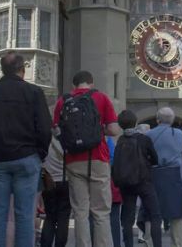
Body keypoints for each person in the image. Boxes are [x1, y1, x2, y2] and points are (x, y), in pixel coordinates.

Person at [0, 52, 52, 246]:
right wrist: (40, 154)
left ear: (1, 70)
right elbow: (44, 128)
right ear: (22, 70)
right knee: (24, 214)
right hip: (26, 157)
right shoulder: (33, 92)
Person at [52, 70, 121, 247]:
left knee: (80, 211)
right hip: (98, 157)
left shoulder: (62, 101)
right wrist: (98, 131)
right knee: (100, 211)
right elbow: (113, 130)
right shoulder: (101, 98)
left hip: (74, 160)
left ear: (73, 86)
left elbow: (56, 130)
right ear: (91, 83)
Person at [114, 110, 162, 247]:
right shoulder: (144, 139)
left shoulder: (120, 141)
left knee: (128, 219)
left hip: (126, 183)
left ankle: (128, 244)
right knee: (155, 215)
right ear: (135, 122)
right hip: (144, 181)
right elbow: (155, 159)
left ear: (120, 125)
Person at [147, 107, 182, 247]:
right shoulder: (178, 134)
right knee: (176, 214)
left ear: (157, 119)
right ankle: (178, 244)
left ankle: (150, 242)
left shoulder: (149, 134)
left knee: (153, 214)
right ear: (172, 120)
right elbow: (181, 151)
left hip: (155, 174)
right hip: (173, 175)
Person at [40, 137, 70, 247]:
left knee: (50, 217)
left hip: (48, 181)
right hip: (66, 180)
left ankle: (45, 244)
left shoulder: (46, 137)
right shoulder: (67, 137)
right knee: (63, 218)